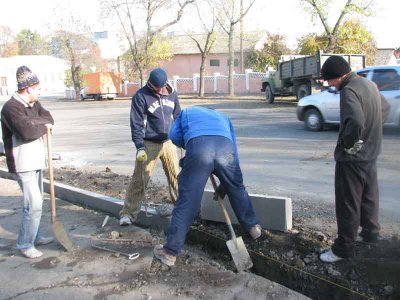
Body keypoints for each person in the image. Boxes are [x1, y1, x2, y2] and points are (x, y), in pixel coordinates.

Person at [153, 106, 262, 266]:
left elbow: (174, 135)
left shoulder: (185, 113)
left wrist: (192, 151)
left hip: (200, 150)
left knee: (188, 201)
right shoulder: (223, 116)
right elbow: (234, 151)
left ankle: (170, 252)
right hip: (226, 150)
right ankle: (252, 227)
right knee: (237, 189)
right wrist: (226, 185)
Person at [318, 56, 390, 263]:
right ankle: (370, 234)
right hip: (371, 153)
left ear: (339, 76)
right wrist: (371, 131)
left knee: (348, 202)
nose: (328, 84)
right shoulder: (369, 84)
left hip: (352, 159)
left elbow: (356, 121)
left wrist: (349, 145)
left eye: (329, 80)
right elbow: (384, 109)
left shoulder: (349, 90)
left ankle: (344, 248)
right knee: (369, 195)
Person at [1, 66, 55, 259]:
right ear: (28, 88)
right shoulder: (11, 108)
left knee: (37, 202)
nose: (39, 91)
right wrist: (42, 126)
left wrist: (39, 123)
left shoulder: (34, 104)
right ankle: (25, 244)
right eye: (37, 88)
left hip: (36, 160)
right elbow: (26, 133)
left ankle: (35, 236)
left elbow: (49, 118)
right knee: (32, 205)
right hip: (22, 163)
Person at [119, 68, 181, 226]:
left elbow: (178, 116)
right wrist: (139, 146)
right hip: (149, 143)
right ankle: (128, 213)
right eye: (157, 88)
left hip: (169, 142)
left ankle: (182, 208)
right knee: (140, 179)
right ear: (151, 85)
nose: (161, 90)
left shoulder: (172, 93)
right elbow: (137, 124)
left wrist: (182, 137)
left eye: (163, 87)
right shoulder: (141, 96)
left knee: (176, 176)